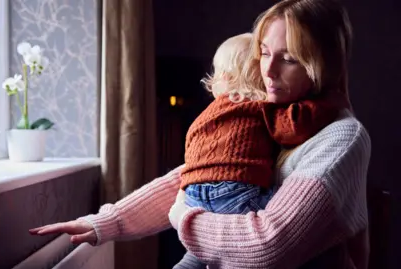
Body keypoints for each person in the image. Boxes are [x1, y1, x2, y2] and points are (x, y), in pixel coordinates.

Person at [30, 0, 371, 268]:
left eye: (289, 59)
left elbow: (267, 246)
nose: (266, 70)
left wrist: (183, 218)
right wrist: (104, 223)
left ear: (322, 66)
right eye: (264, 53)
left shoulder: (340, 138)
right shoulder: (274, 116)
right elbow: (200, 177)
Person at [172, 32, 343, 269]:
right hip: (235, 190)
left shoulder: (208, 113)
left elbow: (191, 150)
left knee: (197, 256)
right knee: (288, 214)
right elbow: (293, 126)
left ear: (223, 77)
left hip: (191, 194)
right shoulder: (259, 106)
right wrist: (329, 102)